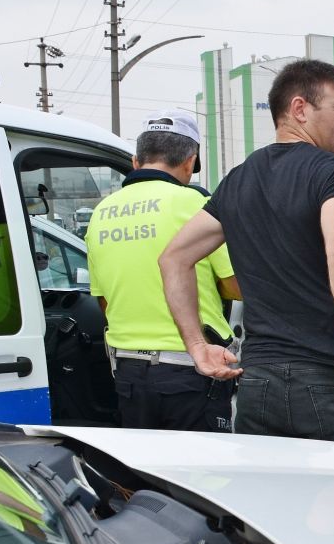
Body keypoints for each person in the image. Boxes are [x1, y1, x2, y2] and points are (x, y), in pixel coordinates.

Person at [160, 60, 334, 445]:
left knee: (269, 502)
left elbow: (174, 258)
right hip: (329, 381)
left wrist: (197, 348)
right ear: (300, 109)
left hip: (257, 386)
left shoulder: (238, 179)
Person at [87, 109, 238, 431]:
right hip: (191, 368)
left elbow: (104, 301)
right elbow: (235, 284)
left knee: (143, 471)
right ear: (190, 161)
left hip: (127, 371)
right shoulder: (195, 204)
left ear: (136, 161)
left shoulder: (101, 212)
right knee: (201, 475)